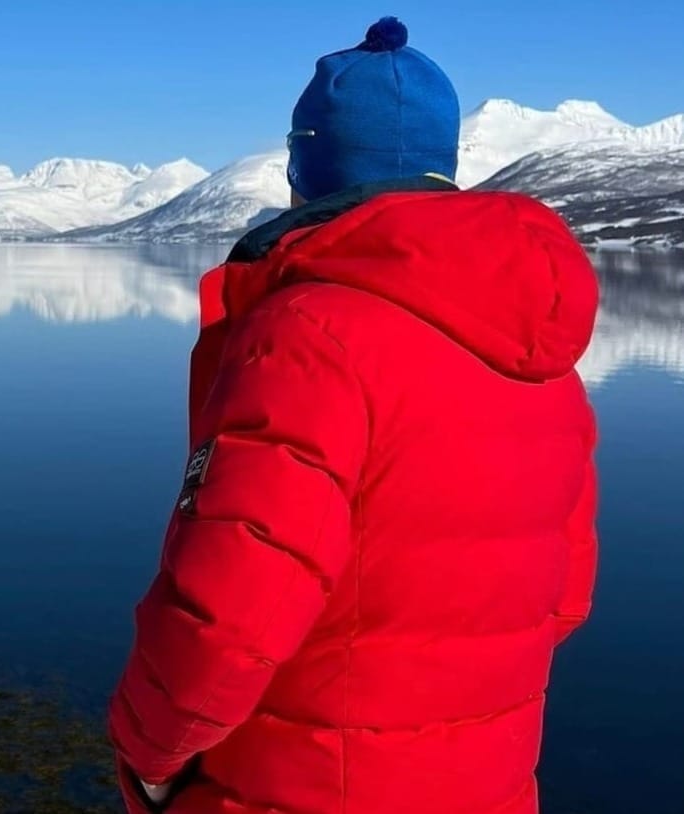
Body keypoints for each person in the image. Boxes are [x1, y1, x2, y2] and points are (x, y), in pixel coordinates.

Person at [108, 16, 599, 814]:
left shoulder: (308, 337)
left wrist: (146, 757)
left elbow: (226, 619)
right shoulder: (547, 359)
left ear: (308, 167)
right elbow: (565, 599)